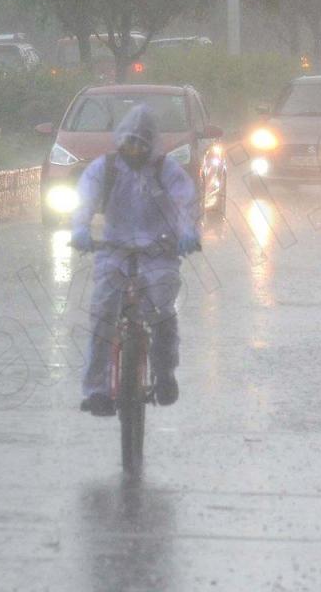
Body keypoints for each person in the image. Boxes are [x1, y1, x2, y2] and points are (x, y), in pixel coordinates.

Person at [70, 104, 201, 416]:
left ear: (150, 145)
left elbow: (186, 201)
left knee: (162, 313)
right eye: (129, 144)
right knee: (102, 317)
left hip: (160, 252)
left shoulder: (165, 170)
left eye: (141, 145)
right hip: (112, 249)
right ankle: (97, 389)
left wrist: (187, 232)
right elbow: (85, 197)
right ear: (120, 143)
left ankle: (165, 372)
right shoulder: (106, 168)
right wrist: (80, 228)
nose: (134, 151)